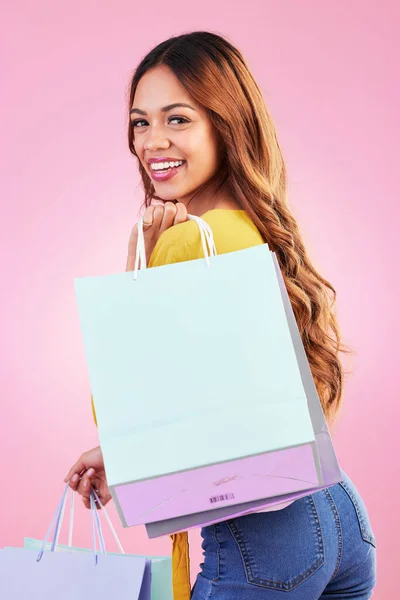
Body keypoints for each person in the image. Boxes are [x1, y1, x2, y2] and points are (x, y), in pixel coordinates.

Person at [64, 31, 376, 599]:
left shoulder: (187, 244)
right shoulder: (255, 226)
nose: (153, 141)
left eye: (177, 119)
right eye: (140, 122)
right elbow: (220, 394)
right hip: (334, 511)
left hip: (262, 537)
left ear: (225, 124)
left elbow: (124, 405)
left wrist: (141, 264)